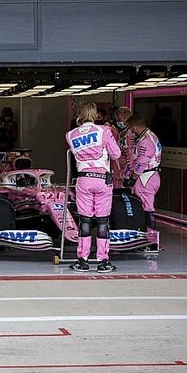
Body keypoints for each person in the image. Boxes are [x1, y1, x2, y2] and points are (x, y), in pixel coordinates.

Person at [66, 102, 122, 272]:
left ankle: (82, 260)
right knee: (103, 221)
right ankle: (103, 261)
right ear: (95, 114)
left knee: (85, 220)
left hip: (83, 180)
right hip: (103, 180)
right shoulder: (103, 131)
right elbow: (116, 154)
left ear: (80, 115)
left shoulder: (70, 135)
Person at [127, 114, 162, 254]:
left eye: (130, 128)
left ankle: (152, 242)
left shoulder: (146, 141)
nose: (130, 131)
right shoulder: (151, 136)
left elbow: (142, 162)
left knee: (147, 209)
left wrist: (133, 178)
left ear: (135, 127)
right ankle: (147, 241)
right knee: (146, 208)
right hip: (150, 176)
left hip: (146, 177)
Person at [110, 106, 134, 188]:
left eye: (120, 119)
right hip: (119, 169)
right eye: (117, 120)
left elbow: (131, 155)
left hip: (126, 169)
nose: (118, 122)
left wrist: (128, 173)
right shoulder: (122, 133)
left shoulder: (131, 133)